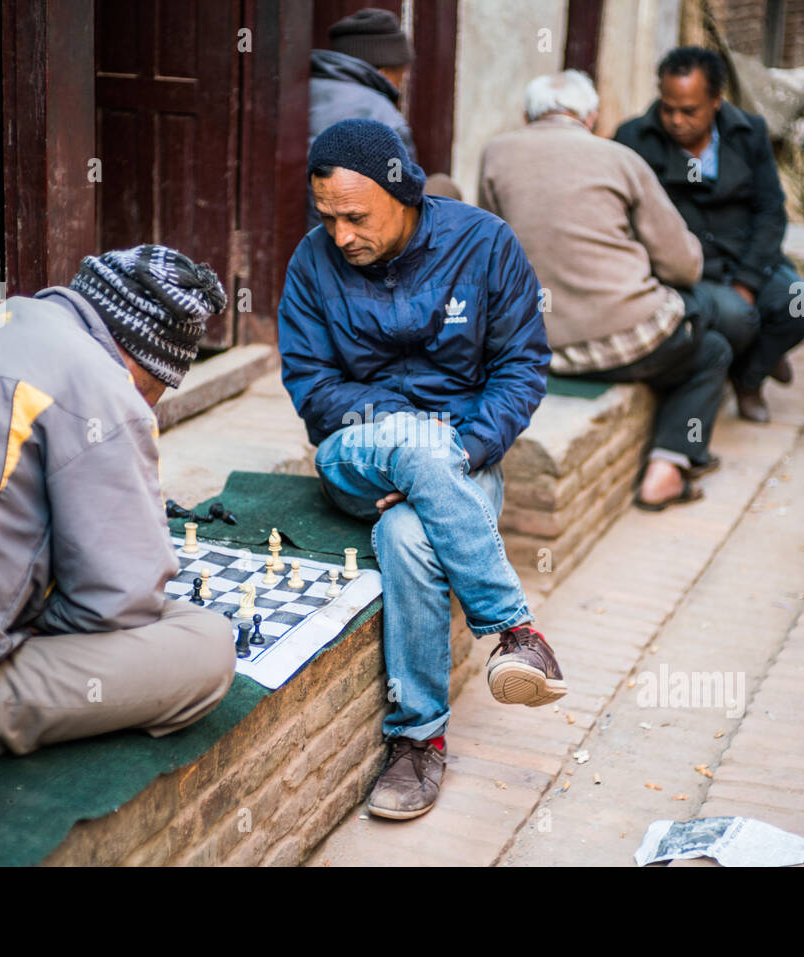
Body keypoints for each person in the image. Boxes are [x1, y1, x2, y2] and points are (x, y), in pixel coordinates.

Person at [278, 118, 565, 820]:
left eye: (355, 216)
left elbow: (521, 367)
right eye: (327, 217)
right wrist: (407, 433)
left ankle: (418, 742)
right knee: (412, 440)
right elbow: (313, 387)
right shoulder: (312, 264)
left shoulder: (484, 244)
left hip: (464, 456)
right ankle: (515, 631)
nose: (340, 235)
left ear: (403, 193)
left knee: (409, 536)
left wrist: (456, 451)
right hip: (355, 452)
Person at [0, 245, 235, 780]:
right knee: (204, 645)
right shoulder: (103, 385)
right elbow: (117, 605)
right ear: (140, 367)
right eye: (154, 394)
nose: (148, 408)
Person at [480, 70, 730, 510]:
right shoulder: (620, 158)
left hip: (535, 347)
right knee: (710, 346)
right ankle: (668, 469)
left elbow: (489, 247)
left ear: (527, 115)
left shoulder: (495, 154)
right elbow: (683, 265)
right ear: (591, 117)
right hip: (623, 346)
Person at [615, 46, 804, 424]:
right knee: (737, 317)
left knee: (801, 303)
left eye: (689, 111)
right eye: (668, 107)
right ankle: (757, 359)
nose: (676, 120)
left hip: (746, 257)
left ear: (716, 102)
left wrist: (749, 279)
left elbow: (770, 211)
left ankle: (750, 375)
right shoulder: (634, 139)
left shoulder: (749, 133)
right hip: (686, 270)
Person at [306, 7, 416, 230]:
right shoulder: (383, 117)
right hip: (347, 249)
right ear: (384, 72)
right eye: (401, 74)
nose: (401, 83)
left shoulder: (296, 92)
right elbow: (404, 202)